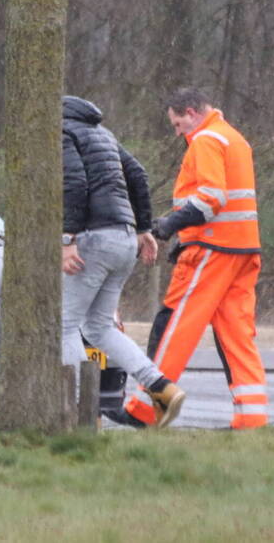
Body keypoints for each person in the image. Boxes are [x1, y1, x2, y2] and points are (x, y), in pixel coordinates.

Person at [122, 88, 267, 429]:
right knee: (237, 333)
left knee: (175, 325)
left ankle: (145, 408)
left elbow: (211, 198)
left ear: (191, 112)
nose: (177, 132)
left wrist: (169, 226)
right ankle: (252, 417)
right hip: (243, 251)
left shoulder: (205, 140)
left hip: (212, 250)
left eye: (177, 124)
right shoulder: (234, 138)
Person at [61, 96, 185, 428]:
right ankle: (161, 388)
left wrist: (67, 238)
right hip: (123, 238)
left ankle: (79, 411)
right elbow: (138, 174)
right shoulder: (104, 134)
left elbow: (73, 183)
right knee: (99, 327)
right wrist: (143, 228)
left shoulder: (62, 132)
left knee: (65, 325)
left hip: (92, 238)